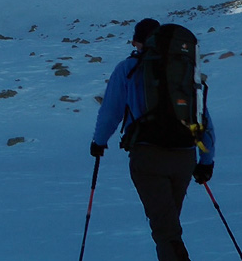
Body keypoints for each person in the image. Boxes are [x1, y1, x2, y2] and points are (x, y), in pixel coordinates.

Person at [90, 18, 215, 261]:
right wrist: (206, 161)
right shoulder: (186, 71)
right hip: (185, 155)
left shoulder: (128, 68)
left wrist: (99, 142)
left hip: (148, 157)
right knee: (168, 225)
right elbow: (204, 118)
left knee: (165, 230)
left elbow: (111, 111)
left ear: (138, 42)